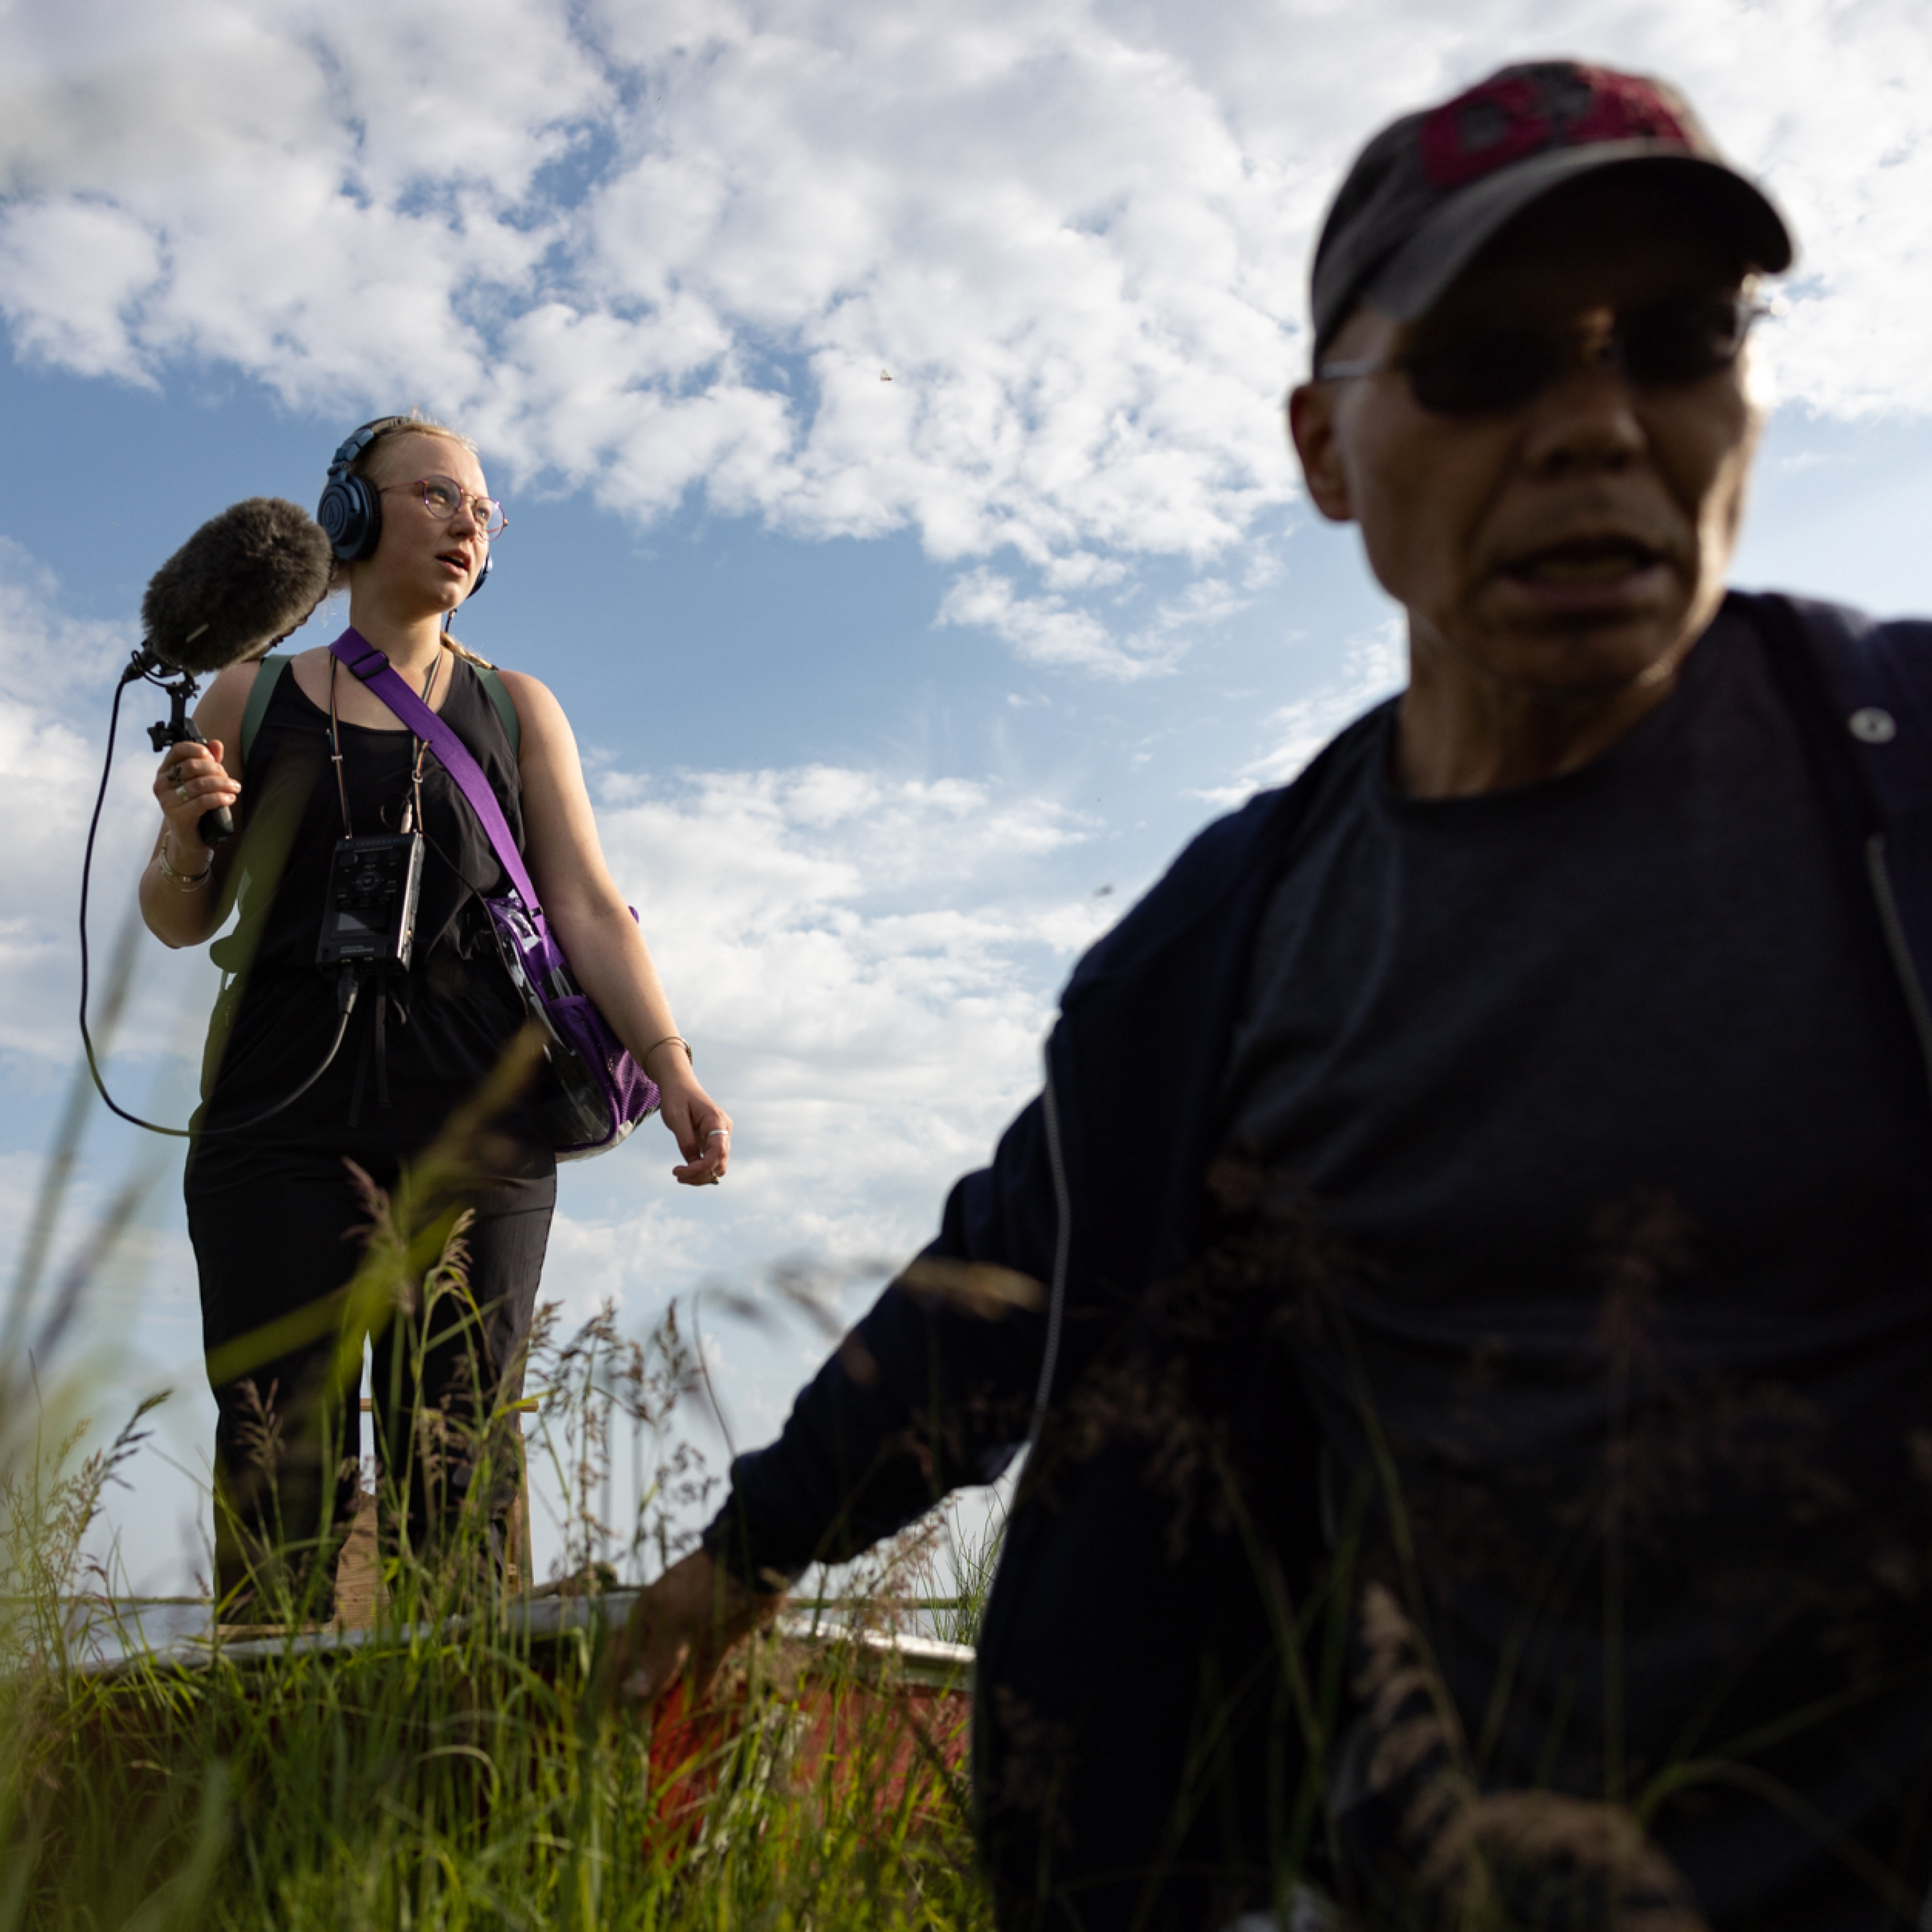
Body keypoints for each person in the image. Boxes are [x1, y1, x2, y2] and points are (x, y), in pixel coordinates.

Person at [609, 61, 1932, 1932]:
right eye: (1485, 361)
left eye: (1679, 339)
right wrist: (739, 1561)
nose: (1600, 428)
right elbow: (1001, 1291)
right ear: (1325, 448)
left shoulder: (1901, 791)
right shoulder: (1223, 955)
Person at [143, 412, 734, 1612]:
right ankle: (266, 1785)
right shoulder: (248, 697)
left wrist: (671, 1066)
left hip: (483, 1126)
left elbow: (589, 905)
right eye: (435, 496)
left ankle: (452, 1784)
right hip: (278, 1125)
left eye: (482, 509)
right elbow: (176, 918)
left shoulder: (517, 708)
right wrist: (179, 834)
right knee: (280, 1466)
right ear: (350, 519)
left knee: (457, 1466)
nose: (467, 523)